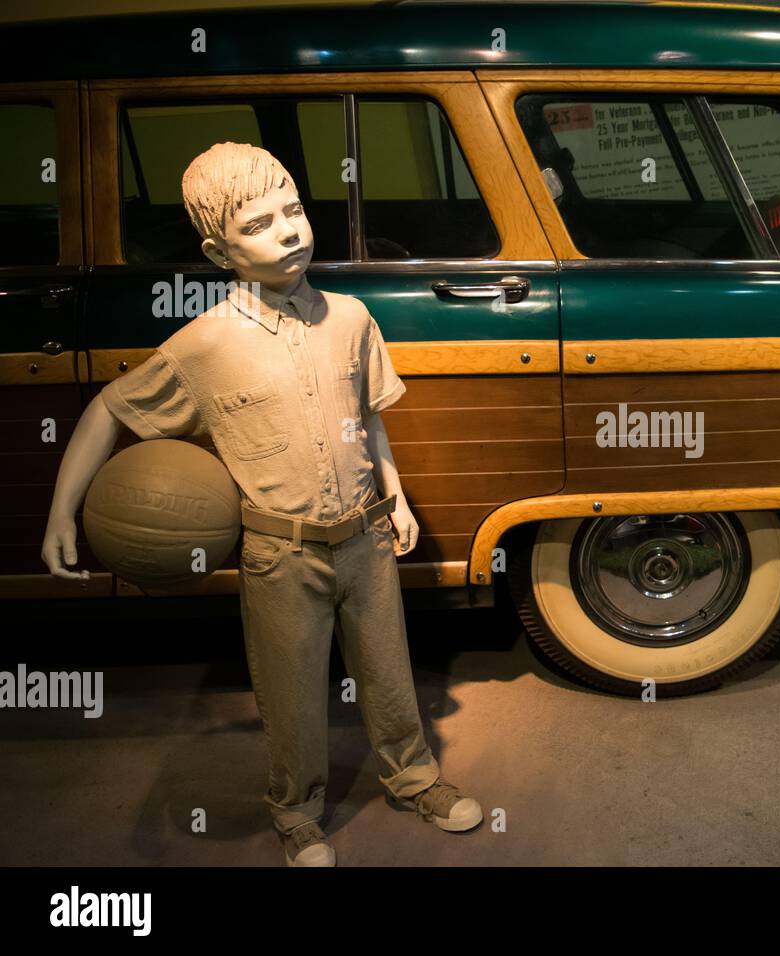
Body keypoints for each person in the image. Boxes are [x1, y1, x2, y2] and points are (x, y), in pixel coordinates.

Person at [41, 142, 481, 866]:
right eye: (259, 224)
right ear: (218, 250)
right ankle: (296, 813)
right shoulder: (204, 346)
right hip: (280, 553)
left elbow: (370, 416)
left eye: (294, 210)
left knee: (390, 672)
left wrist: (396, 496)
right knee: (291, 693)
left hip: (365, 538)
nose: (288, 231)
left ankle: (415, 778)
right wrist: (64, 511)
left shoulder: (350, 318)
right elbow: (108, 409)